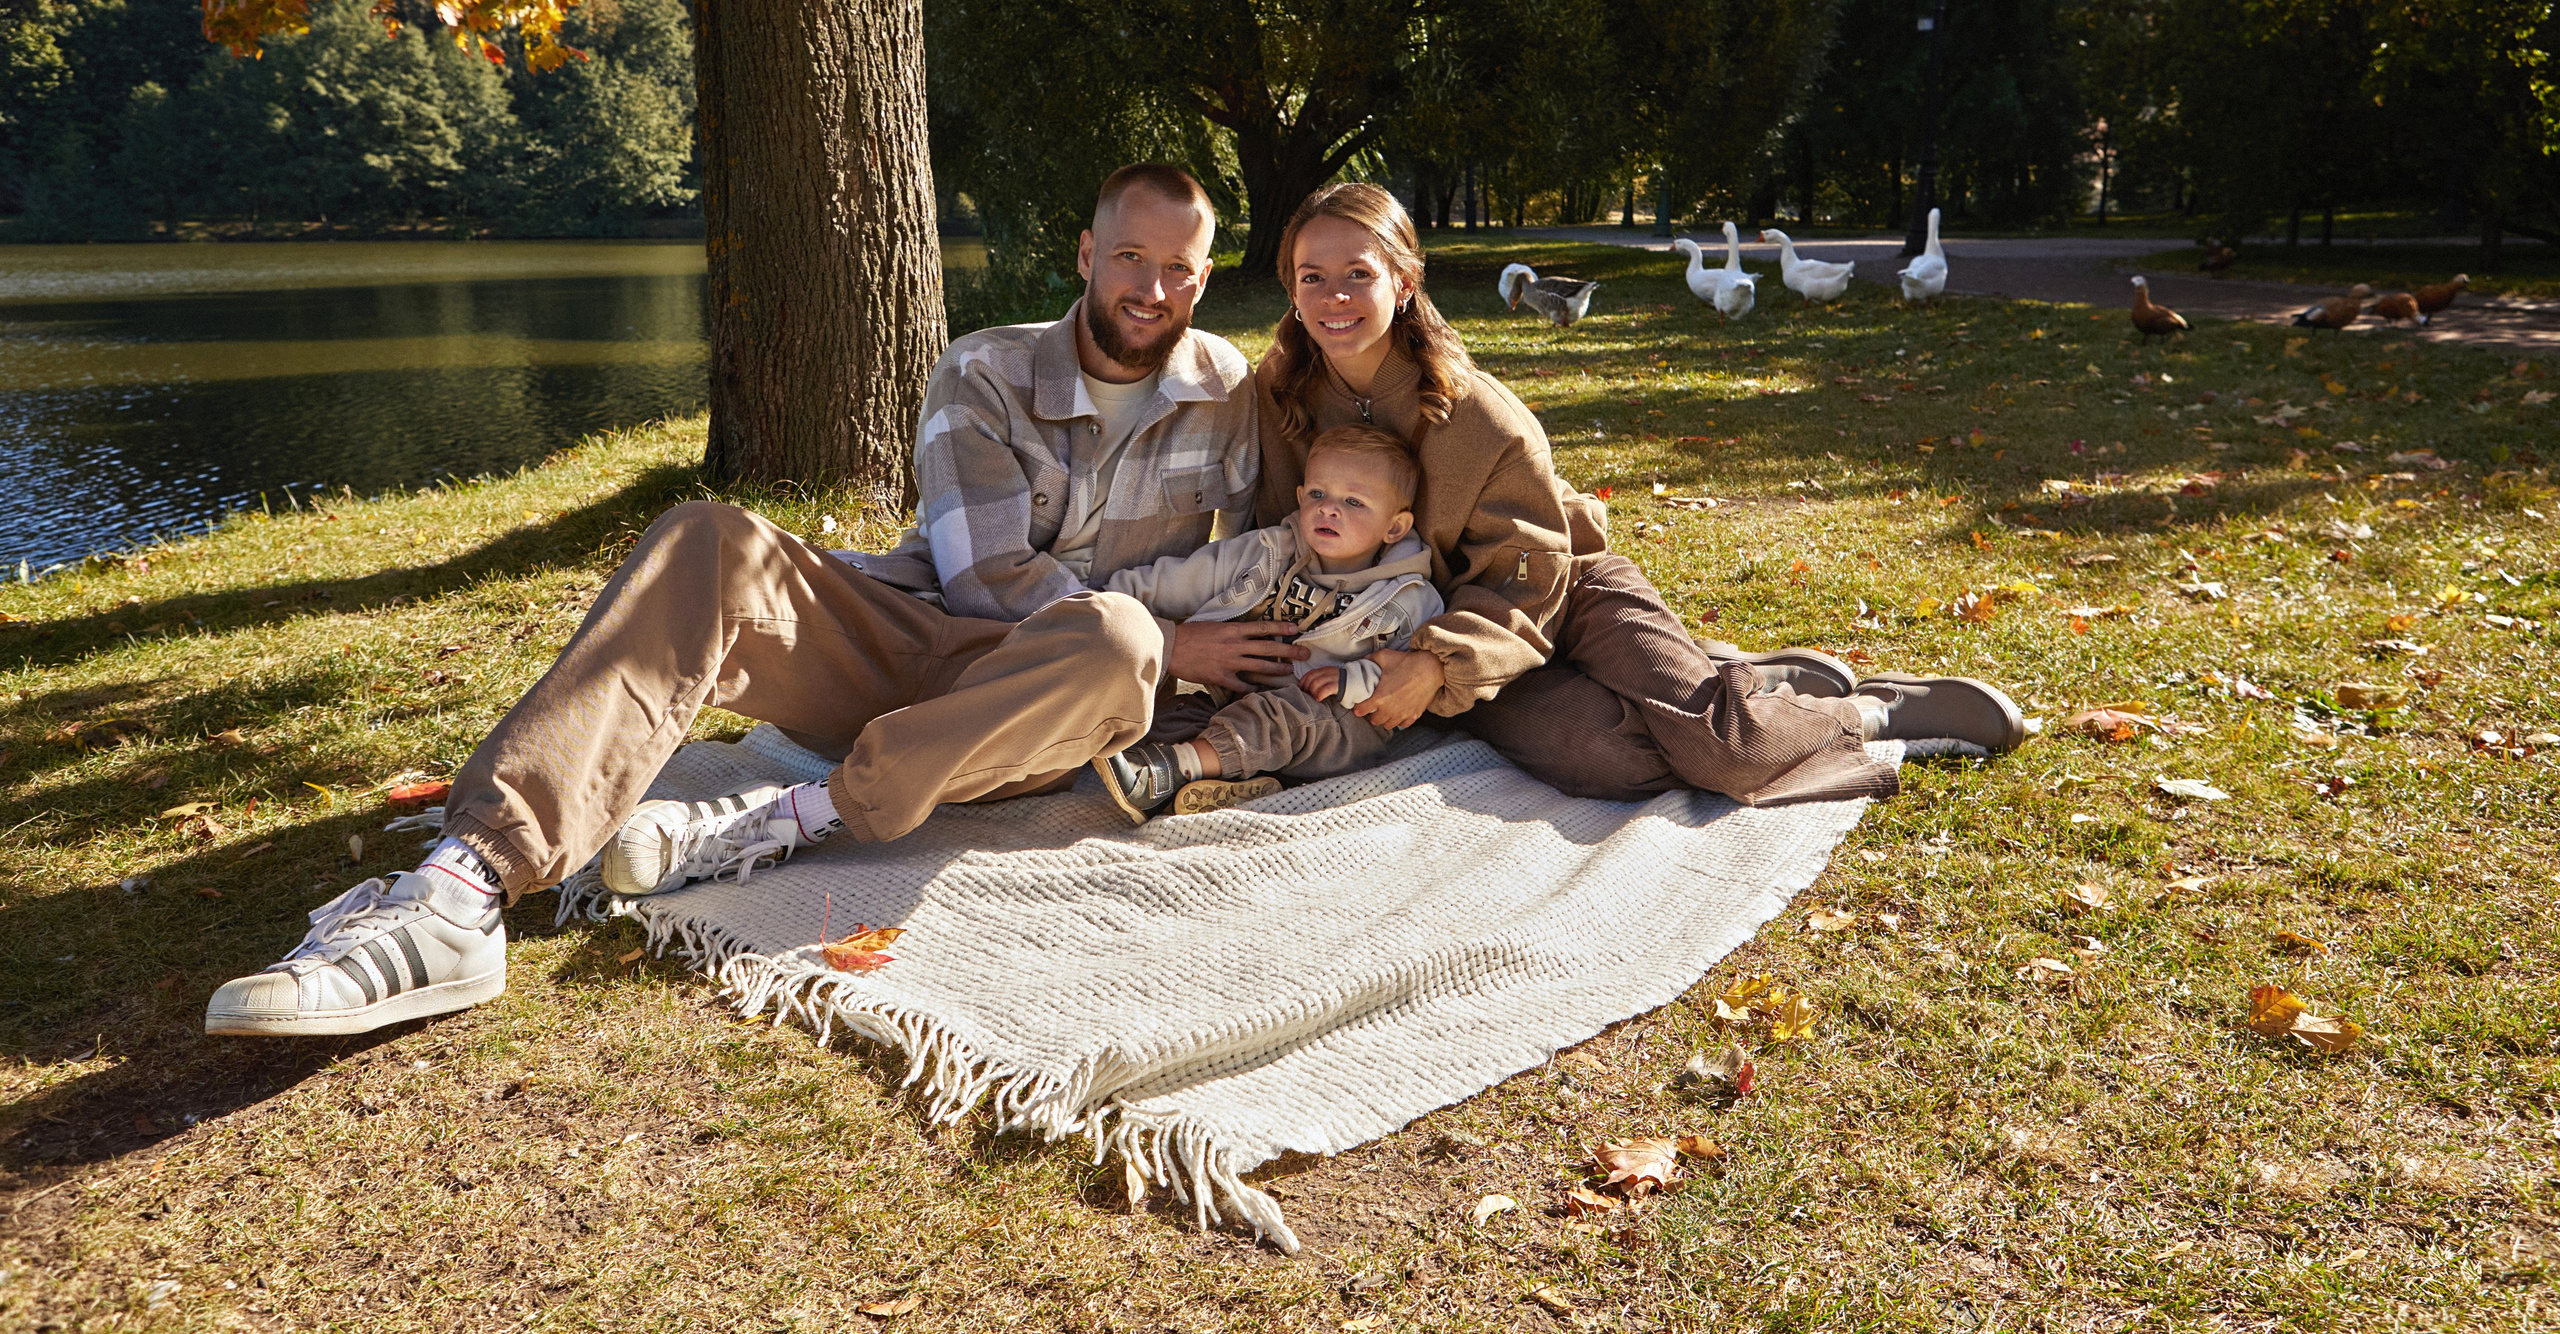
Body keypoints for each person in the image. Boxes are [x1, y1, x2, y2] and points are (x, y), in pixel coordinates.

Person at [205, 164, 1298, 1037]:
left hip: (1048, 699)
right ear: (1087, 255)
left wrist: (1213, 663)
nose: (1151, 289)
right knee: (709, 539)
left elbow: (1268, 554)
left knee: (1115, 642)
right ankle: (465, 885)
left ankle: (792, 817)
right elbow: (984, 580)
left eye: (1178, 268)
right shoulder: (986, 371)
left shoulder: (1227, 392)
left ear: (1205, 278)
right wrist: (1177, 639)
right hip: (913, 637)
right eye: (1129, 257)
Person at [1253, 182, 2026, 807]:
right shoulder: (1280, 403)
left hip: (1556, 590)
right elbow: (1282, 548)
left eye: (1358, 272)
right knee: (1613, 761)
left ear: (1403, 281)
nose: (1334, 295)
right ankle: (1726, 680)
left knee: (1727, 754)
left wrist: (1434, 664)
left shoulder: (1482, 417)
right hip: (1467, 645)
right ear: (1290, 288)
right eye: (1312, 276)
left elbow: (1532, 573)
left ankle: (1868, 710)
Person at [1089, 421, 1444, 821]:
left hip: (1332, 723)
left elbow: (1406, 676)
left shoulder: (1407, 596)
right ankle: (1226, 782)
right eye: (1318, 494)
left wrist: (1355, 680)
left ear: (1394, 527)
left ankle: (1167, 774)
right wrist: (1110, 601)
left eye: (1354, 502)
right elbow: (1185, 578)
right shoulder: (1269, 552)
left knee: (1279, 718)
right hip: (1240, 702)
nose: (1329, 508)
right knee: (1173, 715)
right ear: (1301, 497)